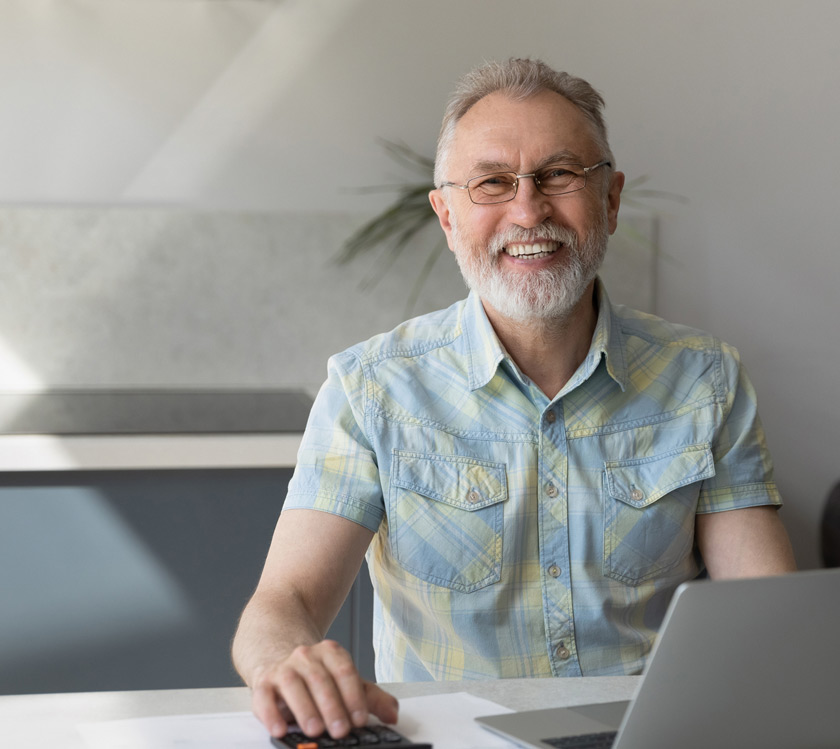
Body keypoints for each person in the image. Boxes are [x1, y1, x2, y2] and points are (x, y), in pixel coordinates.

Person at [232, 57, 796, 740]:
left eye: (559, 175)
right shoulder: (371, 388)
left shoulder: (707, 380)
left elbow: (767, 617)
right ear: (446, 213)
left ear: (611, 200)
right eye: (492, 182)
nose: (528, 210)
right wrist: (287, 663)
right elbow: (282, 603)